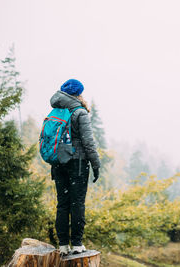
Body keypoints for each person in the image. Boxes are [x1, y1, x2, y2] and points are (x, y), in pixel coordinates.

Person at [50, 79, 100, 255]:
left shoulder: (56, 111)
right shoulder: (80, 112)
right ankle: (77, 244)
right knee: (77, 203)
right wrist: (96, 164)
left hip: (58, 163)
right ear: (78, 94)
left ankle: (63, 245)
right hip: (77, 164)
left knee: (62, 204)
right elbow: (88, 142)